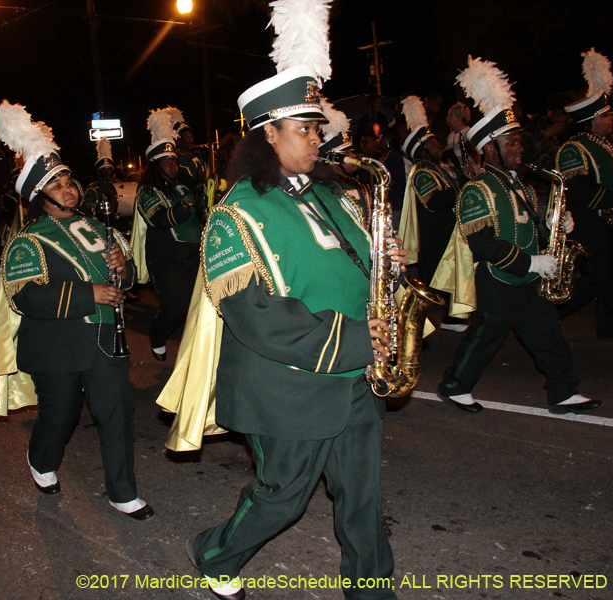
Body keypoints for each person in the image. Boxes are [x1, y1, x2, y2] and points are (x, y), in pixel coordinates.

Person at [180, 4, 403, 596]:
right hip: (286, 386)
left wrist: (391, 267)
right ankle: (215, 555)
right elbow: (257, 319)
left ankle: (371, 586)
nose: (317, 138)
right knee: (283, 497)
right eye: (304, 129)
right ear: (266, 135)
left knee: (364, 494)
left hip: (355, 375)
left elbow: (363, 273)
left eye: (316, 127)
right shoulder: (237, 214)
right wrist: (358, 337)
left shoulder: (338, 196)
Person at [0, 100, 153, 519]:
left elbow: (125, 283)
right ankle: (41, 459)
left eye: (69, 180)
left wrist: (123, 268)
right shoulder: (29, 240)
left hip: (105, 340)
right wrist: (87, 294)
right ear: (39, 196)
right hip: (56, 346)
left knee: (117, 414)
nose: (69, 188)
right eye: (57, 184)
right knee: (59, 418)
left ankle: (122, 492)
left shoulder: (99, 228)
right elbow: (26, 296)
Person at [436, 56, 600, 414]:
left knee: (547, 336)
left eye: (519, 141)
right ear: (490, 148)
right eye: (511, 143)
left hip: (526, 275)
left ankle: (562, 390)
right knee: (485, 336)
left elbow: (532, 228)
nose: (520, 148)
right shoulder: (476, 190)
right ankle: (453, 384)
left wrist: (558, 229)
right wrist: (531, 261)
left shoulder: (521, 187)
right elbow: (482, 243)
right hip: (498, 277)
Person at [555, 49, 613, 339]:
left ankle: (609, 325)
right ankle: (552, 313)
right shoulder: (575, 146)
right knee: (597, 276)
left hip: (608, 219)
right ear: (592, 119)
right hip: (590, 220)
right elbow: (577, 187)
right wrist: (611, 200)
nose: (611, 120)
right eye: (607, 116)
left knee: (610, 276)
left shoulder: (605, 145)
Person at [131, 108, 202, 361]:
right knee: (176, 306)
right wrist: (184, 207)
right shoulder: (147, 190)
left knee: (201, 303)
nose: (173, 166)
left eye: (174, 161)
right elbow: (159, 219)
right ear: (156, 166)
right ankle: (157, 335)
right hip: (167, 258)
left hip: (195, 253)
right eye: (166, 163)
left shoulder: (187, 182)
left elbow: (201, 211)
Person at [398, 96, 468, 331]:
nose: (439, 146)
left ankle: (451, 317)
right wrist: (463, 189)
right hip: (435, 234)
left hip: (450, 230)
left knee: (449, 277)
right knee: (435, 280)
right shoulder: (421, 171)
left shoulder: (444, 166)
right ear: (422, 149)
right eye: (434, 143)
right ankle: (418, 319)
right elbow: (435, 200)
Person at [308, 98, 373, 229]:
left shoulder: (358, 185)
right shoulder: (320, 190)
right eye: (345, 154)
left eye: (352, 151)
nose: (353, 156)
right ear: (330, 160)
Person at [82, 138, 119, 216]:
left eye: (109, 169)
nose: (107, 173)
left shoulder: (118, 185)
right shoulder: (93, 189)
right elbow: (89, 212)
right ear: (99, 172)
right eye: (104, 170)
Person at [445, 101, 481, 178]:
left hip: (472, 173)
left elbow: (476, 157)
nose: (447, 118)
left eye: (451, 116)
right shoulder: (450, 136)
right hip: (457, 175)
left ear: (459, 117)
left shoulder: (469, 134)